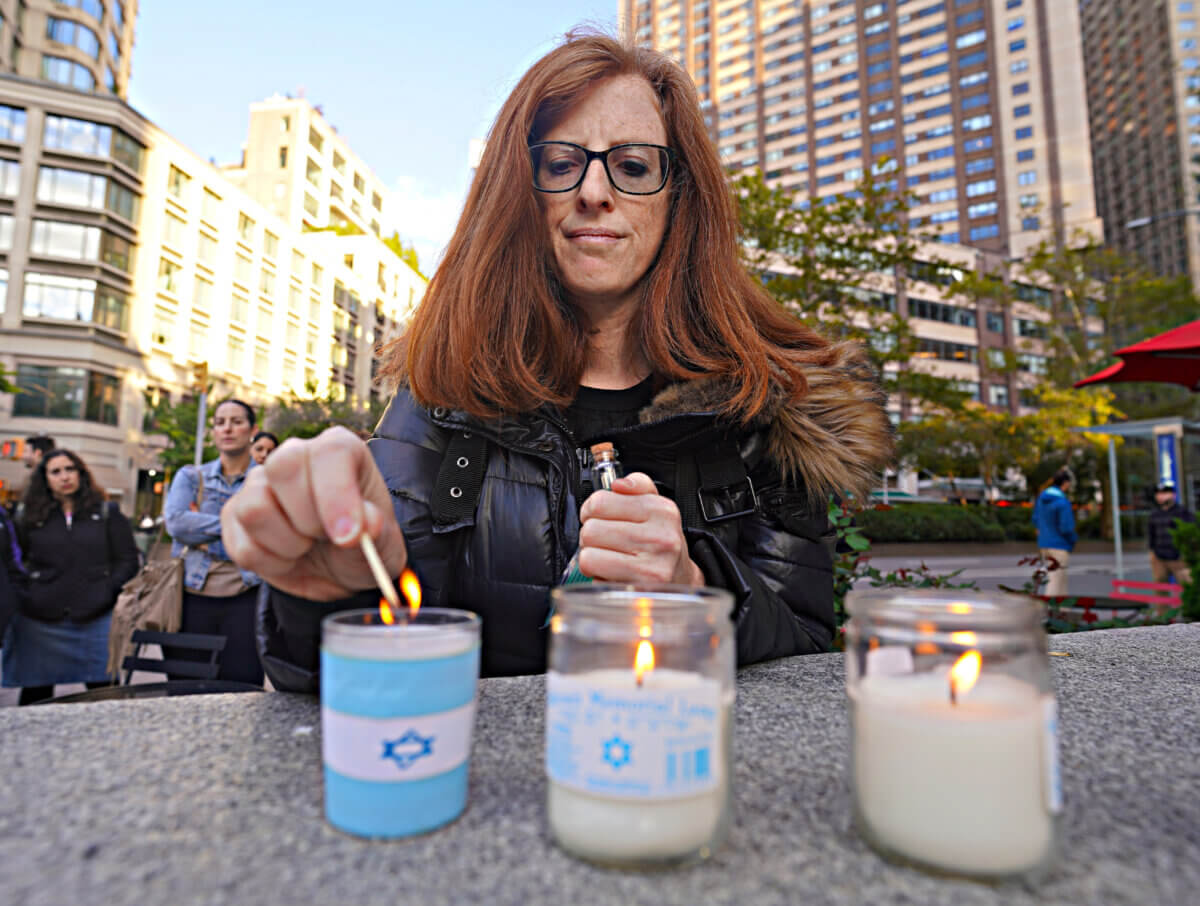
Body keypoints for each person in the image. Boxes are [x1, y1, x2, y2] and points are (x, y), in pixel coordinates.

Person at [221, 33, 893, 690]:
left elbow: (807, 658)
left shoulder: (765, 405)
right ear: (519, 190)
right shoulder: (443, 398)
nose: (595, 192)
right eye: (560, 163)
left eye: (633, 166)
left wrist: (694, 593)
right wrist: (329, 597)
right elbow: (372, 657)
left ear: (679, 198)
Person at [2, 450, 139, 704]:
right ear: (45, 479)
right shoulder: (27, 516)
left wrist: (107, 590)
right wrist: (28, 594)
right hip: (39, 619)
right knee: (36, 698)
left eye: (70, 469)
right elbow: (14, 561)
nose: (65, 477)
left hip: (96, 617)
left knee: (106, 693)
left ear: (80, 473)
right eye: (56, 471)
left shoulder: (107, 512)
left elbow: (128, 560)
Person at [163, 399, 264, 685]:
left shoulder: (267, 478)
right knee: (185, 687)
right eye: (220, 422)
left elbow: (271, 529)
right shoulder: (190, 477)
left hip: (248, 592)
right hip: (192, 594)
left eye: (237, 421)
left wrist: (204, 534)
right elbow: (177, 524)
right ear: (213, 432)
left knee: (242, 686)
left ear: (253, 429)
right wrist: (238, 524)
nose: (228, 429)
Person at [1033, 468, 1077, 597]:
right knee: (1056, 583)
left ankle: (1062, 613)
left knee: (1059, 582)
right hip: (1059, 545)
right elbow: (1066, 527)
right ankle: (1049, 613)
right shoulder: (1062, 502)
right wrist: (1072, 540)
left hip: (1044, 544)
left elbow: (1035, 519)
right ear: (1065, 483)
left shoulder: (1041, 499)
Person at [1147, 482, 1194, 586]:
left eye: (1164, 493)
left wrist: (1185, 553)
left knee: (1186, 586)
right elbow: (1151, 534)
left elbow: (1189, 533)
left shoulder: (1182, 512)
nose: (1161, 496)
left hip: (1178, 558)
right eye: (1158, 493)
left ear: (1173, 495)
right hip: (1159, 558)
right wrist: (1152, 553)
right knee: (1160, 589)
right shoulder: (1154, 514)